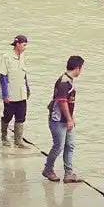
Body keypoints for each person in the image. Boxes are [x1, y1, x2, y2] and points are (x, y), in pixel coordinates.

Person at [42, 55, 85, 183]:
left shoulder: (68, 80)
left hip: (66, 120)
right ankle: (48, 169)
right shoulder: (64, 82)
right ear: (77, 68)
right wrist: (69, 119)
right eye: (81, 68)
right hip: (58, 120)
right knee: (58, 146)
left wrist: (71, 118)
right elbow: (62, 102)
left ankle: (69, 173)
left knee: (70, 145)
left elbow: (69, 102)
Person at [0, 35, 31, 148]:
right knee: (7, 115)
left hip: (21, 92)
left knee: (21, 116)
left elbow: (24, 74)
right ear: (17, 44)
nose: (25, 47)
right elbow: (2, 76)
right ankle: (4, 136)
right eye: (24, 45)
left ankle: (18, 141)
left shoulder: (23, 56)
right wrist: (5, 94)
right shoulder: (6, 57)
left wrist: (27, 88)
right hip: (11, 93)